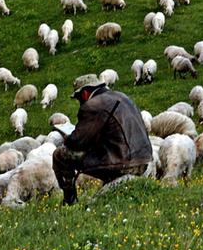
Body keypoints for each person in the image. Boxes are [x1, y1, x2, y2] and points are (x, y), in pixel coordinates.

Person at [52, 74, 153, 205]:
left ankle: (69, 201)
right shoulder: (122, 96)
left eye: (78, 98)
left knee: (60, 155)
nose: (80, 102)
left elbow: (77, 142)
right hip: (143, 160)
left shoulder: (93, 105)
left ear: (85, 93)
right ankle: (110, 186)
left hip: (123, 164)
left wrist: (67, 138)